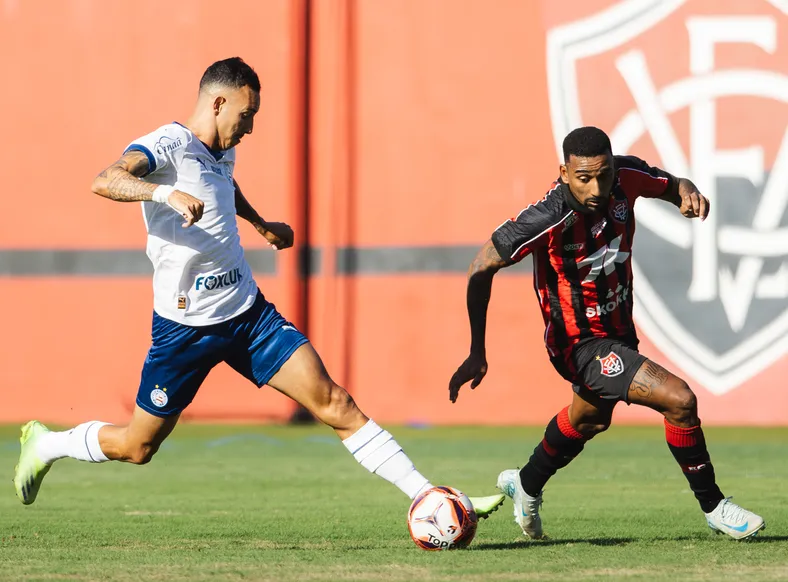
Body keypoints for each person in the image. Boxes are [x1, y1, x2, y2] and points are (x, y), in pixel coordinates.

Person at [14, 57, 504, 519]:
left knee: (335, 404)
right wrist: (165, 192)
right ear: (219, 103)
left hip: (249, 316)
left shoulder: (221, 153)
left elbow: (224, 189)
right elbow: (106, 180)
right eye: (247, 114)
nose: (250, 127)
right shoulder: (166, 144)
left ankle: (432, 497)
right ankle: (47, 444)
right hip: (183, 329)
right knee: (137, 447)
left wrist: (261, 223)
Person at [448, 126, 765, 540]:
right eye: (584, 178)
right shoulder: (547, 216)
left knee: (590, 420)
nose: (596, 187)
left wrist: (688, 194)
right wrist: (477, 350)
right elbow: (481, 265)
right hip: (577, 344)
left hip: (618, 331)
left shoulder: (626, 177)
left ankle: (525, 483)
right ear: (564, 172)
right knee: (680, 400)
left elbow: (673, 185)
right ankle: (715, 507)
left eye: (604, 174)